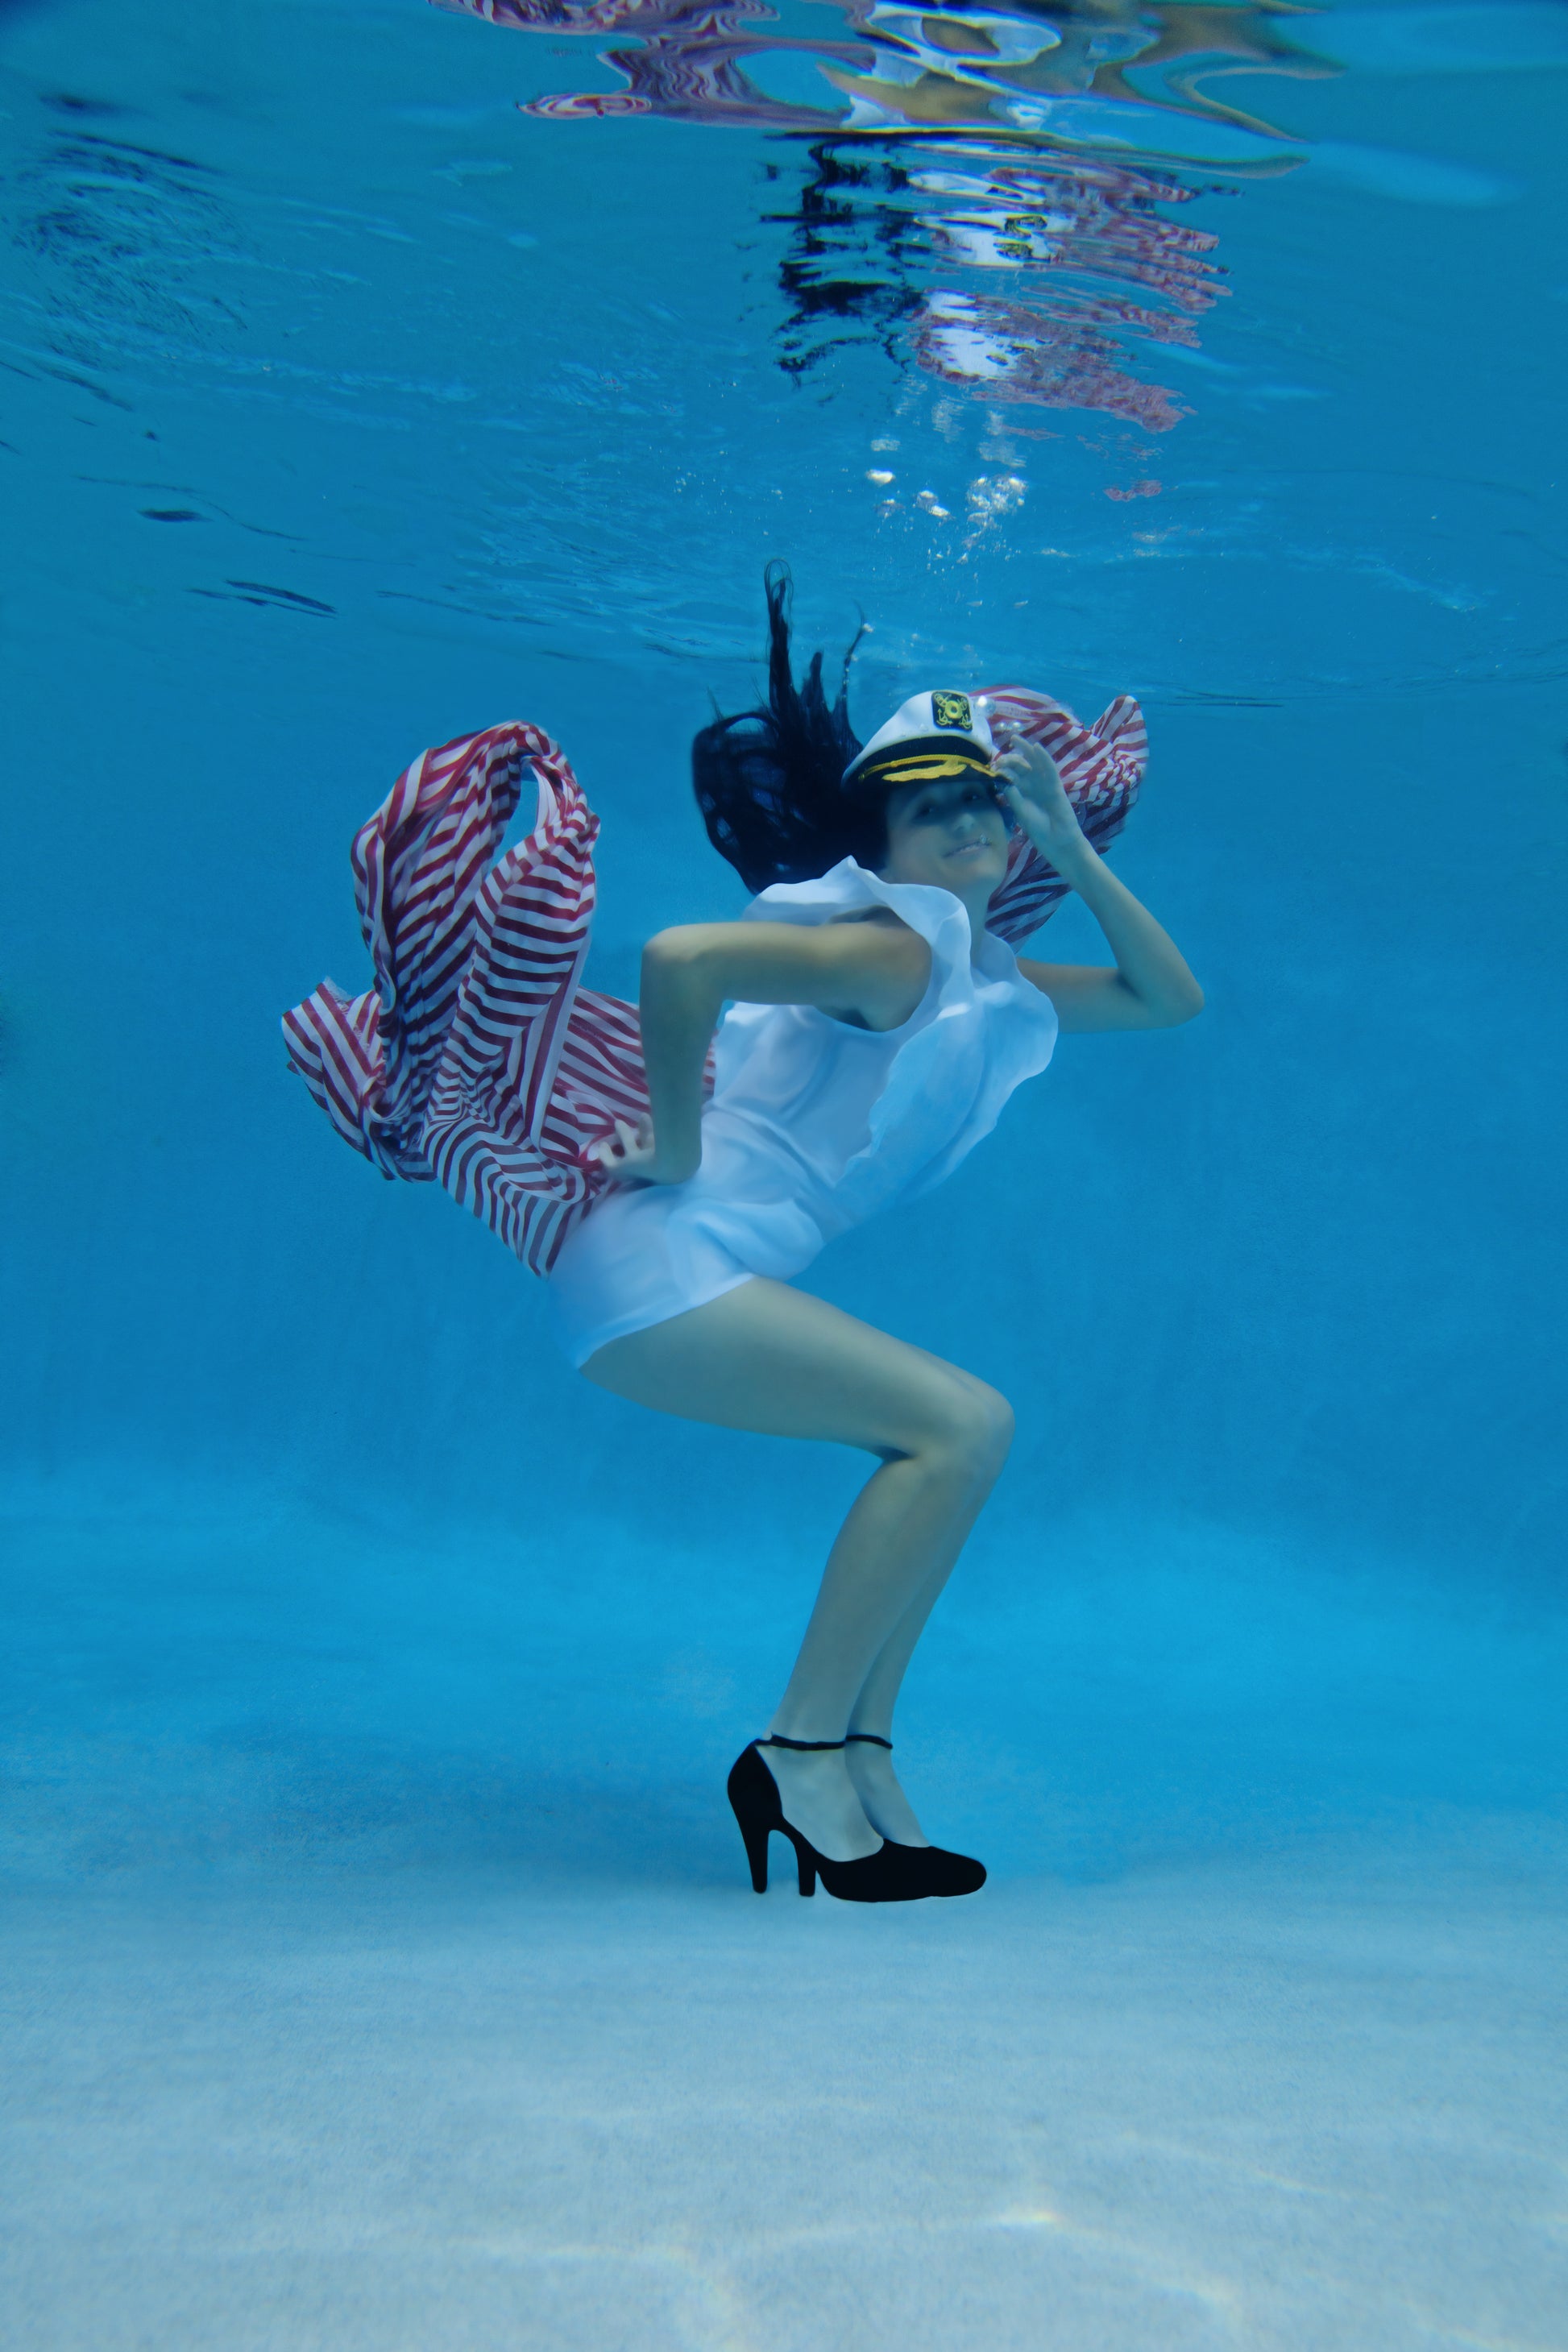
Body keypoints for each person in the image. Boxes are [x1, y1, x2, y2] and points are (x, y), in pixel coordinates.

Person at [283, 565, 1201, 1906]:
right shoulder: (890, 955)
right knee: (961, 1427)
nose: (963, 828)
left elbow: (1165, 999)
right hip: (662, 1269)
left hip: (672, 1276)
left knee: (956, 1441)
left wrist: (1065, 845)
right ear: (876, 843)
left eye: (981, 805)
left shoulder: (979, 982)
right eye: (927, 809)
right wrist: (671, 1145)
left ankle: (864, 1764)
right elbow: (677, 960)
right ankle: (797, 1755)